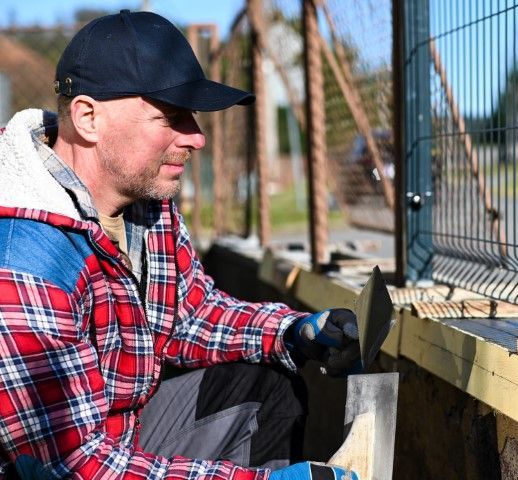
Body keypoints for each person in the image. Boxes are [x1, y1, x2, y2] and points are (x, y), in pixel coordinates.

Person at [0, 10, 360, 480]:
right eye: (170, 117)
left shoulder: (141, 201)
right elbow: (75, 466)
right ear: (88, 117)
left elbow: (188, 315)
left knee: (263, 385)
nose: (198, 137)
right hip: (60, 466)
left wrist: (293, 331)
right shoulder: (23, 257)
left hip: (116, 435)